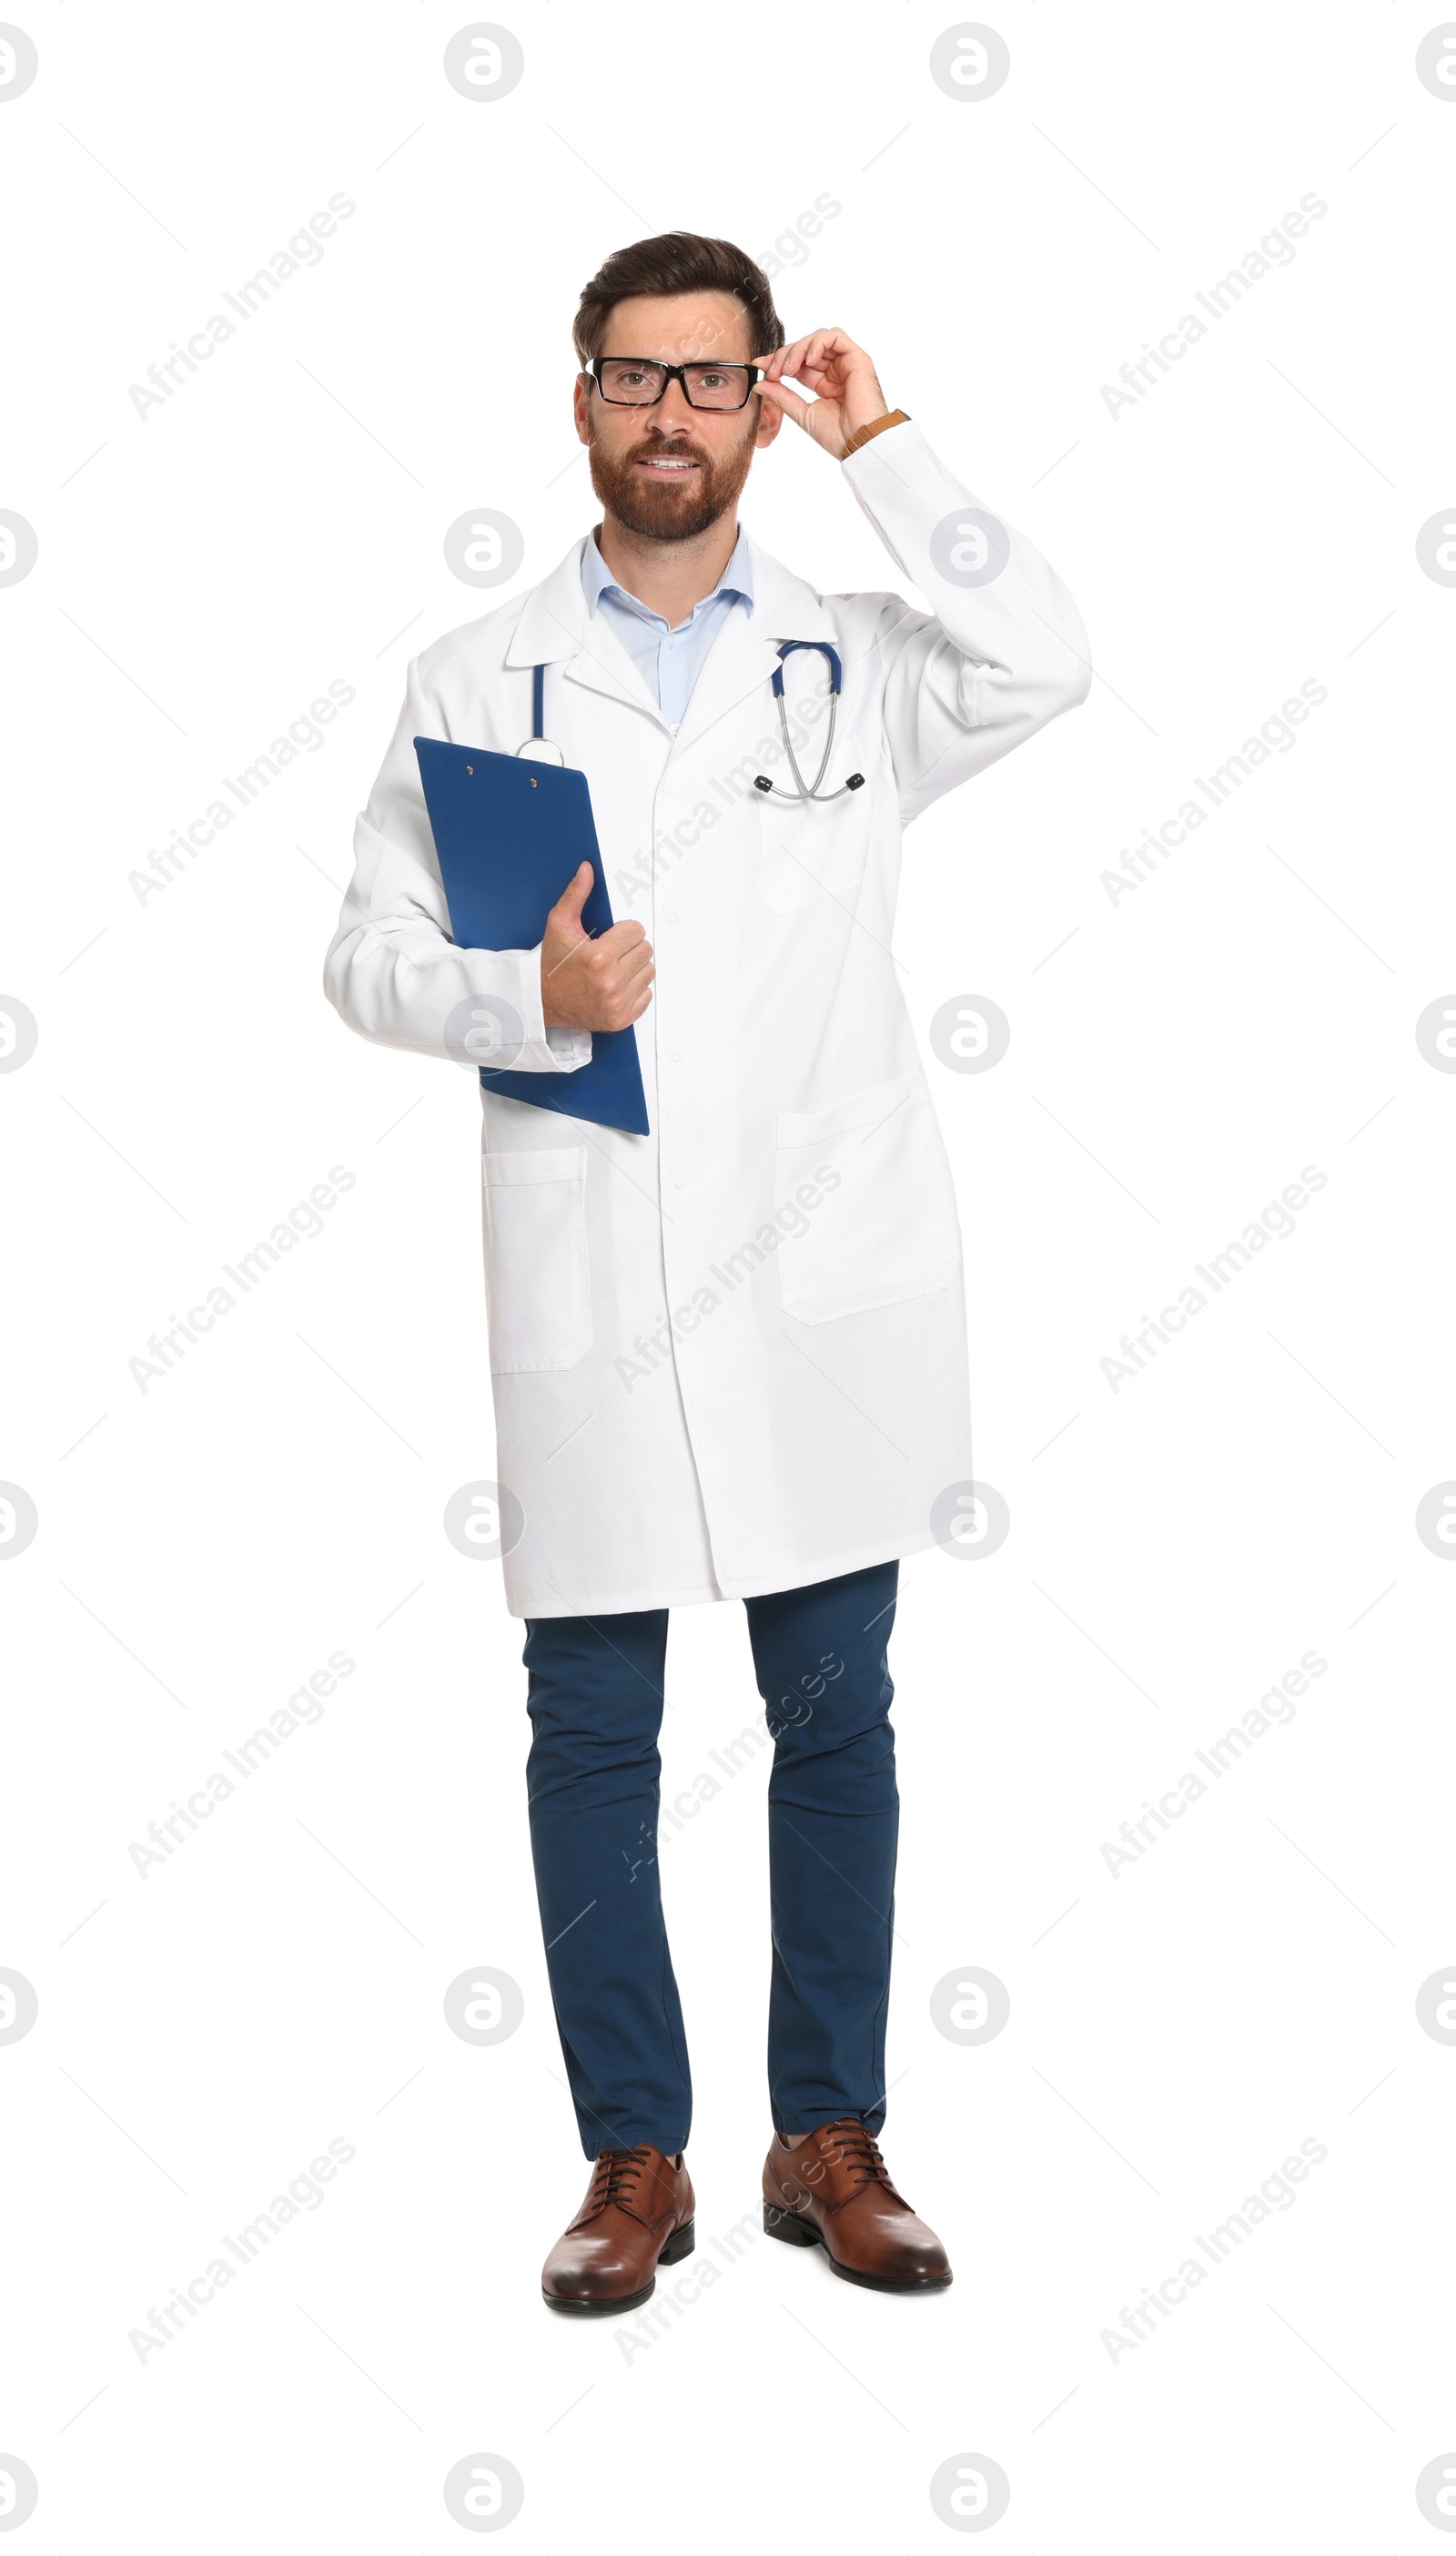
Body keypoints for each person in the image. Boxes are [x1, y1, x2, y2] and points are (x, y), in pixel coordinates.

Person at [324, 230, 1089, 2315]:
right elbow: (361, 958)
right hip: (589, 1267)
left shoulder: (855, 652)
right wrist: (527, 988)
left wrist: (892, 448)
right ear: (576, 397)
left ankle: (825, 2137)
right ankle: (630, 2157)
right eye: (631, 377)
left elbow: (1046, 656)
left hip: (819, 1278)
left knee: (835, 1718)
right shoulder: (472, 671)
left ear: (765, 398)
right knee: (592, 1729)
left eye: (710, 378)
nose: (668, 413)